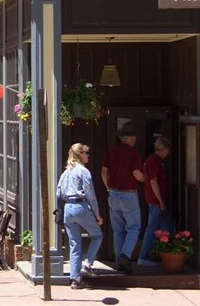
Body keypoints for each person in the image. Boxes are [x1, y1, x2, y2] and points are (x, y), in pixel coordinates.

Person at [57, 143, 103, 289]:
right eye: (86, 153)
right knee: (97, 235)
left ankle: (75, 279)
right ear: (79, 155)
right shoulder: (83, 171)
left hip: (68, 208)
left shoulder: (65, 173)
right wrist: (97, 214)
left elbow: (59, 193)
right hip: (80, 206)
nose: (88, 155)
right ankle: (87, 265)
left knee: (74, 244)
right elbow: (90, 194)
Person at [101, 122, 145, 274]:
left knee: (118, 230)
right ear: (131, 138)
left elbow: (104, 171)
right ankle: (125, 255)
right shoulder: (134, 153)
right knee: (133, 227)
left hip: (113, 194)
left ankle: (120, 263)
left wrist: (108, 187)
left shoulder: (112, 151)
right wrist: (144, 178)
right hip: (129, 194)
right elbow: (136, 174)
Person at [137, 137, 173, 267]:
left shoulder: (152, 160)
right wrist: (161, 201)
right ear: (164, 149)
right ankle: (143, 256)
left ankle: (171, 254)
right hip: (156, 201)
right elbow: (153, 182)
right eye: (167, 150)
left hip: (156, 200)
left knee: (167, 227)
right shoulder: (155, 161)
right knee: (152, 227)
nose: (168, 153)